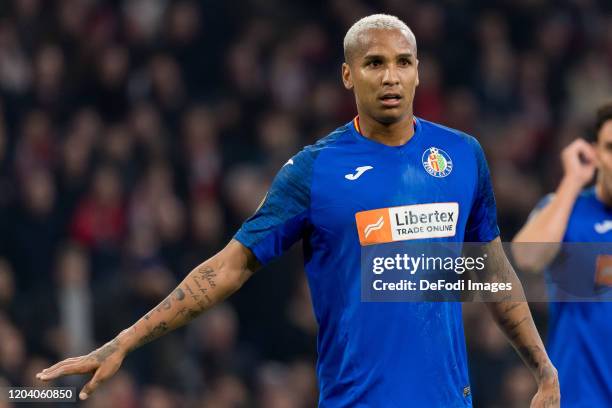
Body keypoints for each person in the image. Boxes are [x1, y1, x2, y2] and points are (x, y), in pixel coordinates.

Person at [37, 14, 560, 407]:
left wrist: (543, 367)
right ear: (348, 76)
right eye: (374, 63)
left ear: (419, 72)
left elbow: (490, 271)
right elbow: (228, 267)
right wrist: (126, 340)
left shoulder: (464, 156)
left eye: (403, 62)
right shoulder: (314, 171)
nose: (391, 76)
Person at [513, 101, 612, 406]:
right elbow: (527, 257)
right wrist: (572, 181)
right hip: (580, 397)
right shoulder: (565, 209)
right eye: (611, 148)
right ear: (595, 153)